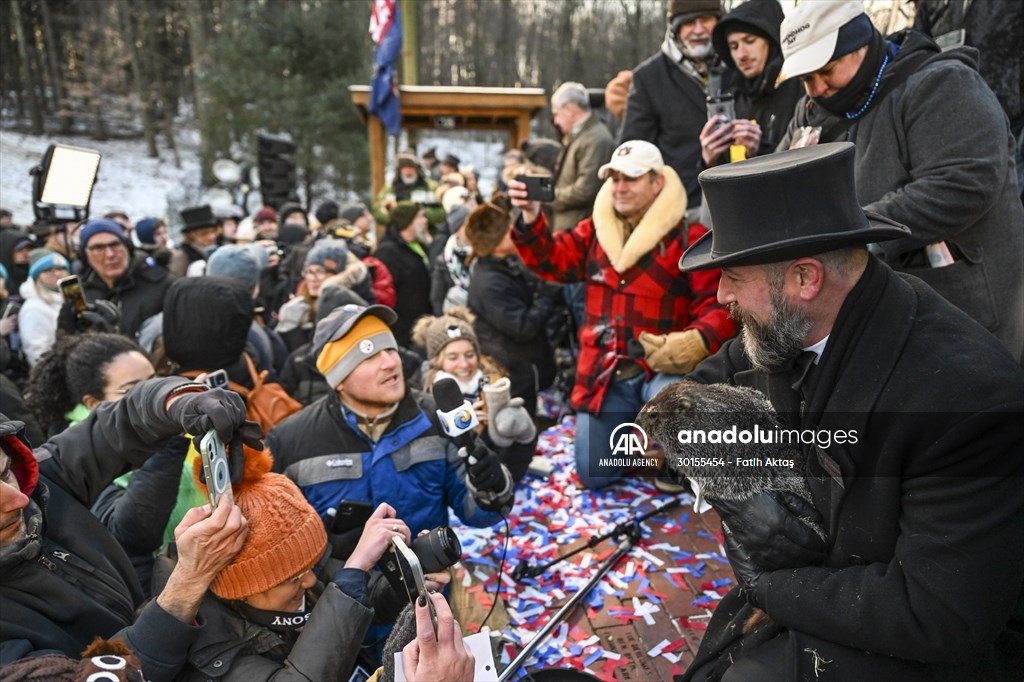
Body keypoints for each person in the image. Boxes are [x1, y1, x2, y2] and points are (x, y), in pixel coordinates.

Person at [671, 141, 1024, 682]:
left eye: (734, 277)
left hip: (924, 644)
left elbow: (937, 614)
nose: (720, 296)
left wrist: (770, 585)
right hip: (824, 594)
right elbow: (684, 404)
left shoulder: (963, 399)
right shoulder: (789, 327)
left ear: (805, 278)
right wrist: (742, 490)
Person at [775, 0, 1024, 362]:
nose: (816, 88)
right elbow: (778, 180)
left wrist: (847, 229)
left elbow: (961, 185)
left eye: (826, 71)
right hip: (878, 314)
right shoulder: (813, 111)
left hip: (964, 307)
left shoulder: (943, 84)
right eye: (805, 79)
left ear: (860, 44)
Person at [509, 140, 734, 488]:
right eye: (614, 178)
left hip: (662, 370)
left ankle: (678, 459)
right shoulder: (593, 231)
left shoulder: (689, 236)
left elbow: (720, 304)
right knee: (593, 473)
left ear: (657, 182)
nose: (619, 187)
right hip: (606, 372)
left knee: (685, 405)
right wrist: (530, 215)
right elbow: (552, 260)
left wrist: (696, 340)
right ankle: (643, 444)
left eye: (631, 178)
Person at [0, 376, 258, 677]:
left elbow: (120, 424)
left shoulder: (43, 484)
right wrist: (187, 584)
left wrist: (181, 401)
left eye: (5, 473)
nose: (18, 500)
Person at [267, 303, 514, 534]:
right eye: (369, 356)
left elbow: (479, 514)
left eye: (390, 349)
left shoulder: (437, 416)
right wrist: (335, 558)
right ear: (338, 379)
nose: (390, 363)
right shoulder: (290, 441)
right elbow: (279, 539)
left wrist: (492, 487)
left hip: (423, 568)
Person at [620, 0, 727, 208]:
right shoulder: (648, 78)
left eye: (706, 19)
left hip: (740, 195)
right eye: (689, 23)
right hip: (682, 206)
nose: (698, 30)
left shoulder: (738, 64)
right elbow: (634, 151)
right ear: (674, 27)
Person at [413, 308, 538, 483]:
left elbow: (513, 468)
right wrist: (470, 434)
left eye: (470, 355)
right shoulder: (426, 401)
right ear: (438, 362)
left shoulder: (494, 385)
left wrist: (524, 436)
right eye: (453, 357)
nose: (464, 364)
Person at [463, 198, 560, 423]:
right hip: (513, 377)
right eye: (508, 231)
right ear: (495, 243)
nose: (515, 233)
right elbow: (523, 327)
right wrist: (548, 294)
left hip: (524, 369)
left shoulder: (507, 264)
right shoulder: (489, 282)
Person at [699, 0, 803, 166]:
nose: (741, 54)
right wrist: (708, 160)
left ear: (771, 41)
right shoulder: (732, 98)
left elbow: (803, 163)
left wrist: (760, 151)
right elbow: (726, 172)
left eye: (749, 41)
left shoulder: (802, 89)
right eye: (734, 46)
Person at [76, 218, 173, 339]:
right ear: (84, 255)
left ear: (128, 246)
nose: (110, 254)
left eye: (115, 245)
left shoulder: (163, 284)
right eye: (98, 248)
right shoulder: (81, 293)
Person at [547, 82, 616, 232]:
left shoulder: (596, 139)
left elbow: (586, 191)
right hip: (570, 230)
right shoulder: (580, 136)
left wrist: (548, 195)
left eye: (556, 113)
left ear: (569, 110)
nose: (555, 120)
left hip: (579, 233)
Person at [374, 203, 433, 348]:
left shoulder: (419, 245)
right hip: (402, 331)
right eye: (420, 216)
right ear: (407, 221)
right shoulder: (388, 251)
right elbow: (384, 292)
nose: (425, 220)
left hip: (422, 322)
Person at [17, 249, 70, 366]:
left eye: (61, 269)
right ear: (37, 276)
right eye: (49, 270)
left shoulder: (69, 299)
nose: (57, 273)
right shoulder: (33, 307)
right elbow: (36, 352)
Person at [170, 205, 221, 277]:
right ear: (191, 235)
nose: (212, 237)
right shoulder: (182, 255)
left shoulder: (213, 249)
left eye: (213, 231)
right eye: (205, 234)